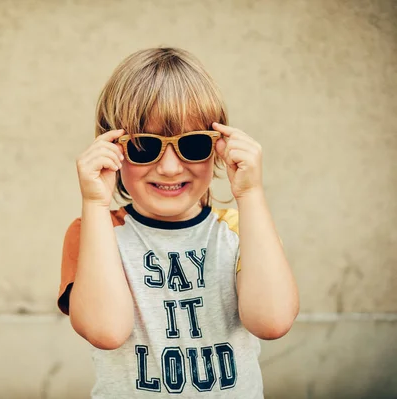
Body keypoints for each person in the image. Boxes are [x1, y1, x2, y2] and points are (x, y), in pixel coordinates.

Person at [57, 47, 299, 398]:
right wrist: (95, 201)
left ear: (218, 148)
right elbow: (105, 330)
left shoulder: (240, 229)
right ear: (113, 149)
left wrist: (251, 195)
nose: (170, 168)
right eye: (144, 146)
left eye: (193, 144)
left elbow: (273, 322)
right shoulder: (95, 233)